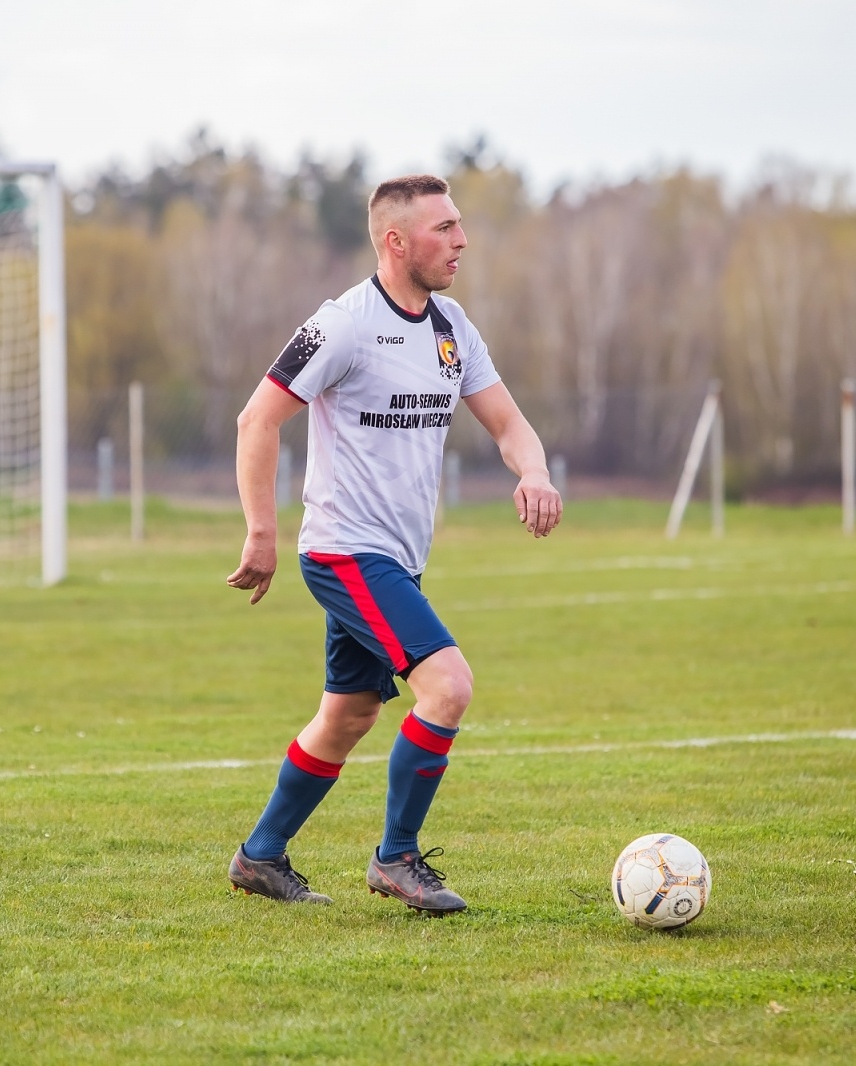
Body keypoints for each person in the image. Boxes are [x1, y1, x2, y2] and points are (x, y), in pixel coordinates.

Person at [225, 175, 562, 914]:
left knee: (347, 715)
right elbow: (258, 420)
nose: (461, 240)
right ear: (396, 242)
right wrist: (261, 531)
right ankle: (396, 858)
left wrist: (533, 470)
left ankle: (260, 857)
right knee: (449, 685)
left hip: (398, 559)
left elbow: (507, 424)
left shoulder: (452, 329)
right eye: (444, 228)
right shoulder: (341, 324)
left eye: (460, 225)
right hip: (346, 550)